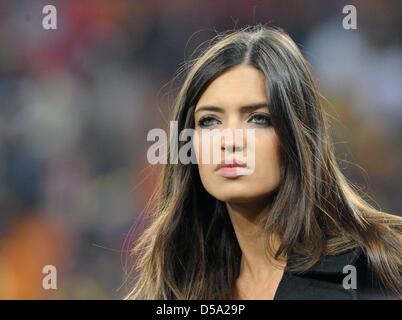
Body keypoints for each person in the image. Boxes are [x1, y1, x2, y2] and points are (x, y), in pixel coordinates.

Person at [125, 25, 402, 300]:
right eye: (210, 121)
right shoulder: (175, 287)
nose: (230, 141)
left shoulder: (371, 270)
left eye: (258, 118)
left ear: (297, 135)